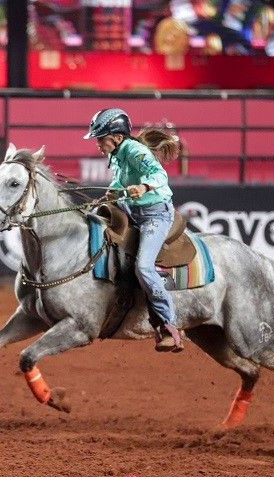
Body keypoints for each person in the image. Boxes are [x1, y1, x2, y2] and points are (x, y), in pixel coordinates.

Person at [84, 108, 184, 352]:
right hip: (132, 211)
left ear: (117, 138)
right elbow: (121, 180)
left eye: (100, 138)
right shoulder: (117, 155)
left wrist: (146, 186)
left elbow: (159, 174)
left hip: (155, 216)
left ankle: (169, 325)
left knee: (143, 267)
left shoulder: (136, 151)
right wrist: (113, 191)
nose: (97, 143)